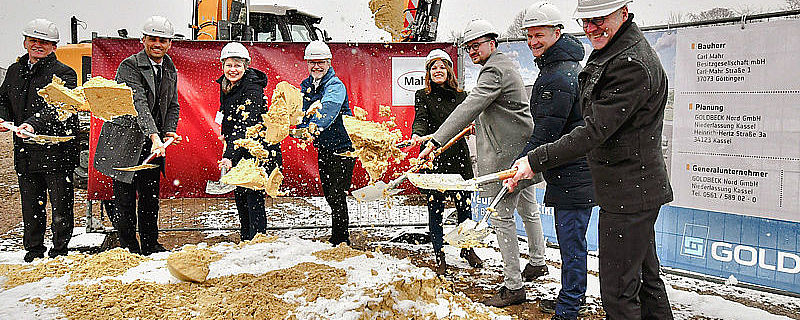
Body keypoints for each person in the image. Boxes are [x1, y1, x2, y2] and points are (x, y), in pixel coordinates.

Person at [505, 0, 674, 318]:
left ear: (623, 13)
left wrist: (533, 160)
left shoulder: (629, 63)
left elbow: (592, 131)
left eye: (599, 19)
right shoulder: (616, 49)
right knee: (646, 281)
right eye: (586, 21)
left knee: (618, 293)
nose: (591, 27)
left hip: (629, 193)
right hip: (632, 190)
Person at [418, 19, 543, 307]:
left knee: (502, 218)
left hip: (506, 157)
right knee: (528, 208)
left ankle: (513, 285)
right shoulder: (504, 65)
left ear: (492, 43)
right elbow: (495, 109)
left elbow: (470, 106)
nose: (473, 51)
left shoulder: (494, 69)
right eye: (469, 47)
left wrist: (436, 141)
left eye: (477, 45)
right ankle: (537, 261)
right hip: (522, 151)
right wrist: (483, 124)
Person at [518, 2, 595, 319]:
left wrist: (521, 164)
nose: (533, 41)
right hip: (572, 171)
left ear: (558, 33)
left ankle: (568, 309)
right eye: (529, 35)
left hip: (574, 175)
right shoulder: (559, 68)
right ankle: (570, 300)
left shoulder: (558, 76)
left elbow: (546, 131)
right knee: (570, 243)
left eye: (539, 35)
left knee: (572, 245)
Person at [93, 16, 181, 256]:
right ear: (143, 40)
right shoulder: (129, 66)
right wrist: (155, 136)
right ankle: (129, 248)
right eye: (152, 39)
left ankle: (150, 245)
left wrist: (170, 129)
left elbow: (172, 103)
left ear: (169, 43)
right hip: (125, 141)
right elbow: (138, 103)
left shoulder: (169, 67)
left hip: (151, 144)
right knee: (124, 200)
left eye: (162, 40)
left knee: (150, 198)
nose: (157, 44)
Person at [0, 19, 78, 262]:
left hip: (56, 152)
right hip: (25, 151)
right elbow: (3, 99)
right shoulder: (14, 71)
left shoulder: (64, 73)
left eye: (44, 42)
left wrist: (34, 123)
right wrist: (2, 118)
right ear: (25, 42)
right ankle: (33, 251)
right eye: (33, 40)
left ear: (54, 46)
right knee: (31, 205)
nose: (38, 45)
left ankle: (59, 252)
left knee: (60, 205)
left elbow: (60, 106)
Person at [410, 49, 482, 275]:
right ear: (428, 72)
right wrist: (416, 135)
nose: (438, 71)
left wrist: (471, 126)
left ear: (449, 70)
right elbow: (420, 121)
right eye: (433, 67)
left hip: (458, 157)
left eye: (442, 67)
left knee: (464, 207)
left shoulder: (462, 96)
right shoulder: (422, 95)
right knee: (436, 209)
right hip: (432, 158)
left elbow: (469, 119)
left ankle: (466, 248)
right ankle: (439, 252)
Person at [215, 42, 281, 241]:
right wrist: (224, 133)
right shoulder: (227, 84)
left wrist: (229, 156)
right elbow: (227, 114)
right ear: (222, 66)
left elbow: (245, 124)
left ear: (246, 66)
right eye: (229, 65)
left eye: (237, 65)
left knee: (252, 195)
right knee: (241, 195)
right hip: (239, 146)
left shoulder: (252, 87)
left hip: (256, 149)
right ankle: (246, 239)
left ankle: (257, 240)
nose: (232, 69)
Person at [297, 41, 355, 246]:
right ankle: (338, 236)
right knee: (329, 193)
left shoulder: (335, 86)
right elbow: (303, 112)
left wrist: (312, 128)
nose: (316, 66)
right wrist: (297, 127)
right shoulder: (308, 85)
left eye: (320, 62)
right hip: (325, 147)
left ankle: (341, 240)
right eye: (312, 62)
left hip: (343, 148)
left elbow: (328, 109)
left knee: (336, 194)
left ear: (329, 62)